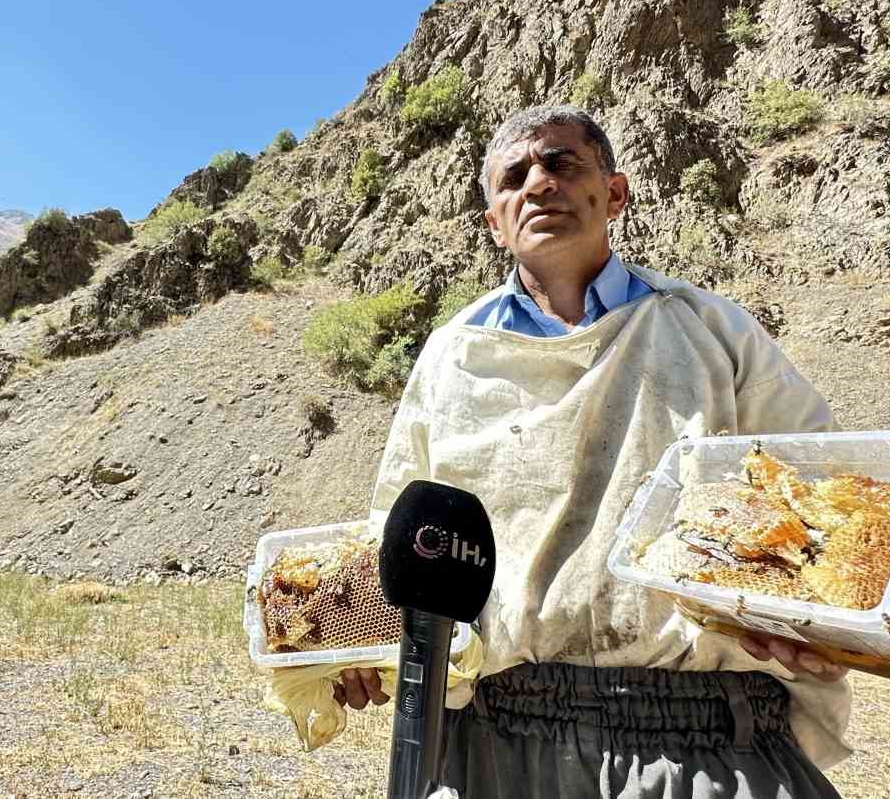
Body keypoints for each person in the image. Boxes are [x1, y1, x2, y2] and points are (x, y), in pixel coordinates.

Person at [335, 105, 850, 798]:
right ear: (495, 223)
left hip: (703, 733)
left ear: (614, 193)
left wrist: (807, 621)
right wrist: (356, 642)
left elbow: (817, 495)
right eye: (514, 177)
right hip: (498, 732)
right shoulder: (455, 357)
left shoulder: (709, 331)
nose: (538, 184)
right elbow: (397, 529)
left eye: (561, 163)